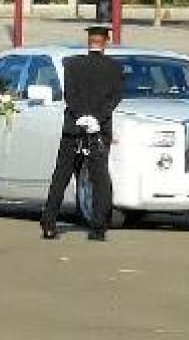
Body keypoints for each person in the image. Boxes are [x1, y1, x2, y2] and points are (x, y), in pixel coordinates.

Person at [40, 25, 124, 241]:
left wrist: (81, 116)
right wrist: (96, 118)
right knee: (99, 179)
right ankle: (98, 228)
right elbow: (114, 99)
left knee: (62, 175)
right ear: (106, 42)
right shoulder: (115, 68)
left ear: (89, 42)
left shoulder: (73, 64)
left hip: (74, 128)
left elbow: (70, 94)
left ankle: (49, 223)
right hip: (99, 129)